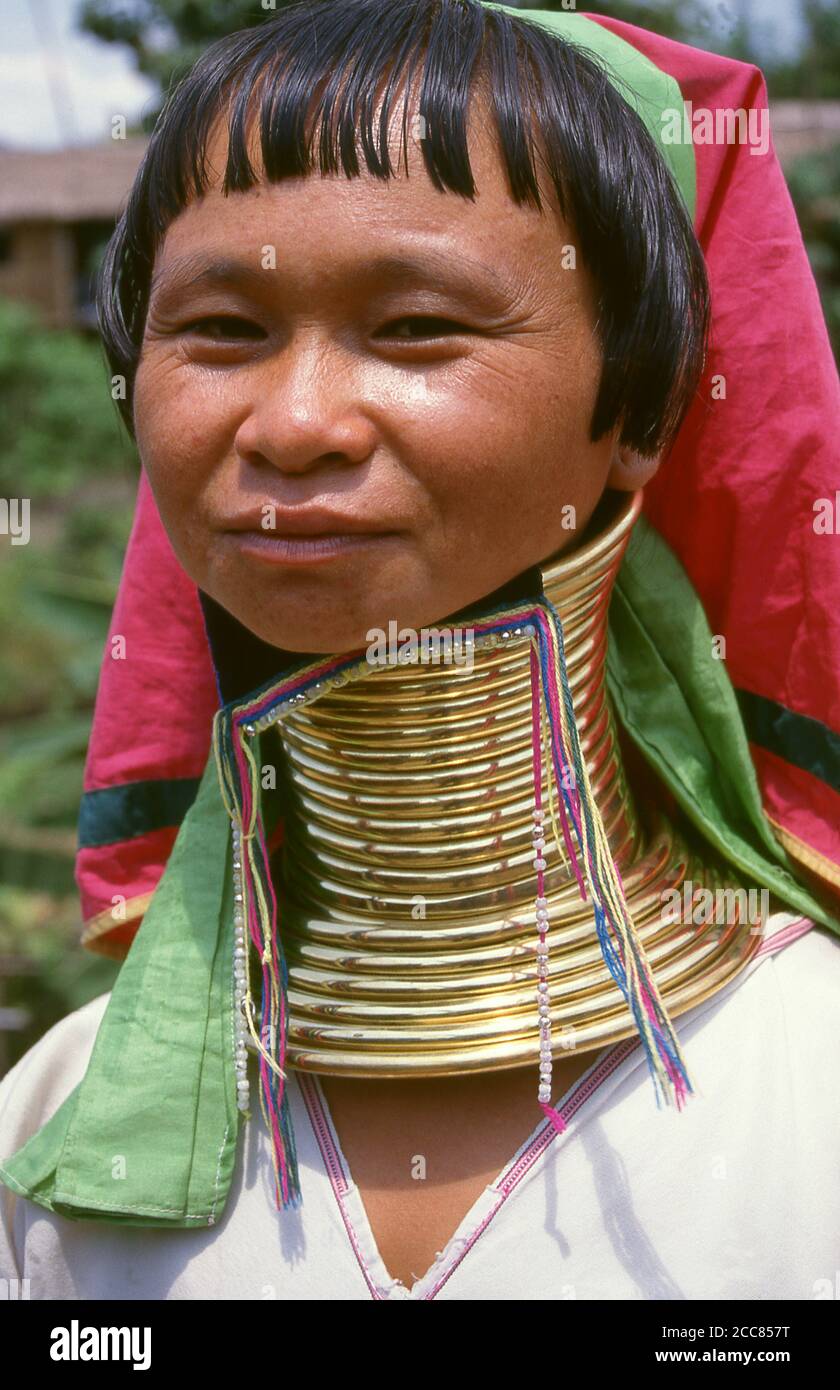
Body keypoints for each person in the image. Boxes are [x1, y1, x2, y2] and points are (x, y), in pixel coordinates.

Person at [1, 0, 839, 1301]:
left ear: (646, 405)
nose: (293, 423)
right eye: (221, 331)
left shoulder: (810, 1088)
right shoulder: (51, 1129)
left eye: (415, 331)